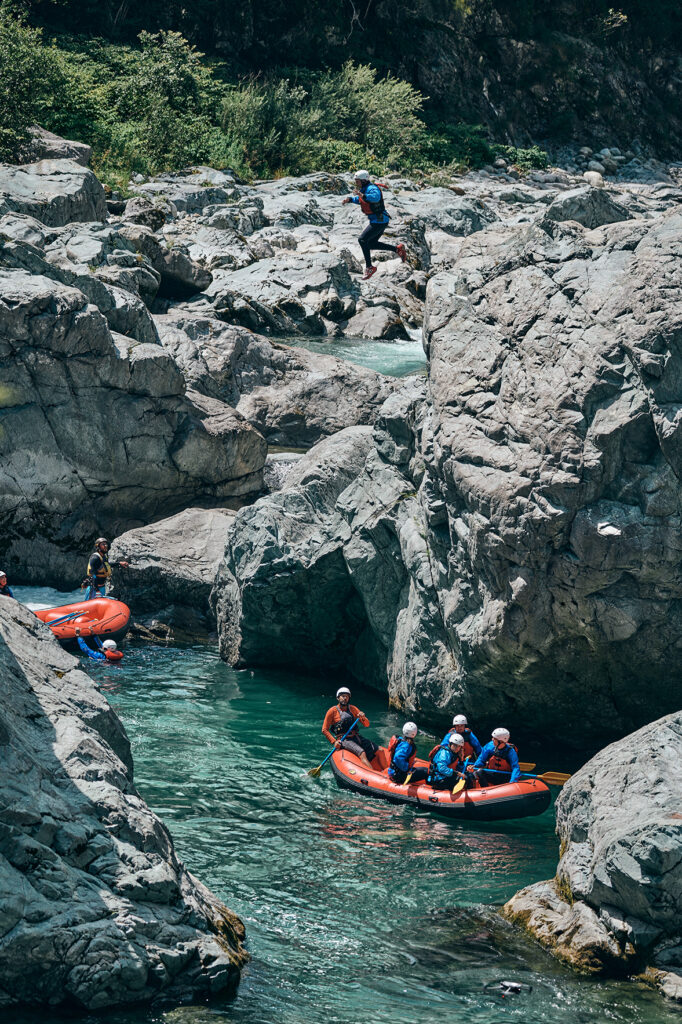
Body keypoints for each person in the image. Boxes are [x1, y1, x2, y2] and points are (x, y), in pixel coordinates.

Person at [342, 170, 407, 280]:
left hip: (380, 221)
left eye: (357, 181)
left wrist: (361, 194)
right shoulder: (365, 188)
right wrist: (350, 199)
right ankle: (397, 249)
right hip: (377, 221)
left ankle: (369, 267)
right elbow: (361, 199)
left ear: (363, 180)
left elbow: (375, 198)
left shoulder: (372, 188)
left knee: (362, 240)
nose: (356, 183)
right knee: (371, 243)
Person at [322, 686, 378, 769]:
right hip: (344, 740)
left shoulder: (353, 709)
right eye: (343, 696)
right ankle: (374, 775)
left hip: (356, 737)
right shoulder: (332, 711)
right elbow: (324, 729)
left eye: (347, 696)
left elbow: (367, 724)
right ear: (338, 698)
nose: (345, 698)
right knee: (362, 753)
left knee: (377, 749)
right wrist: (334, 742)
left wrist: (362, 717)